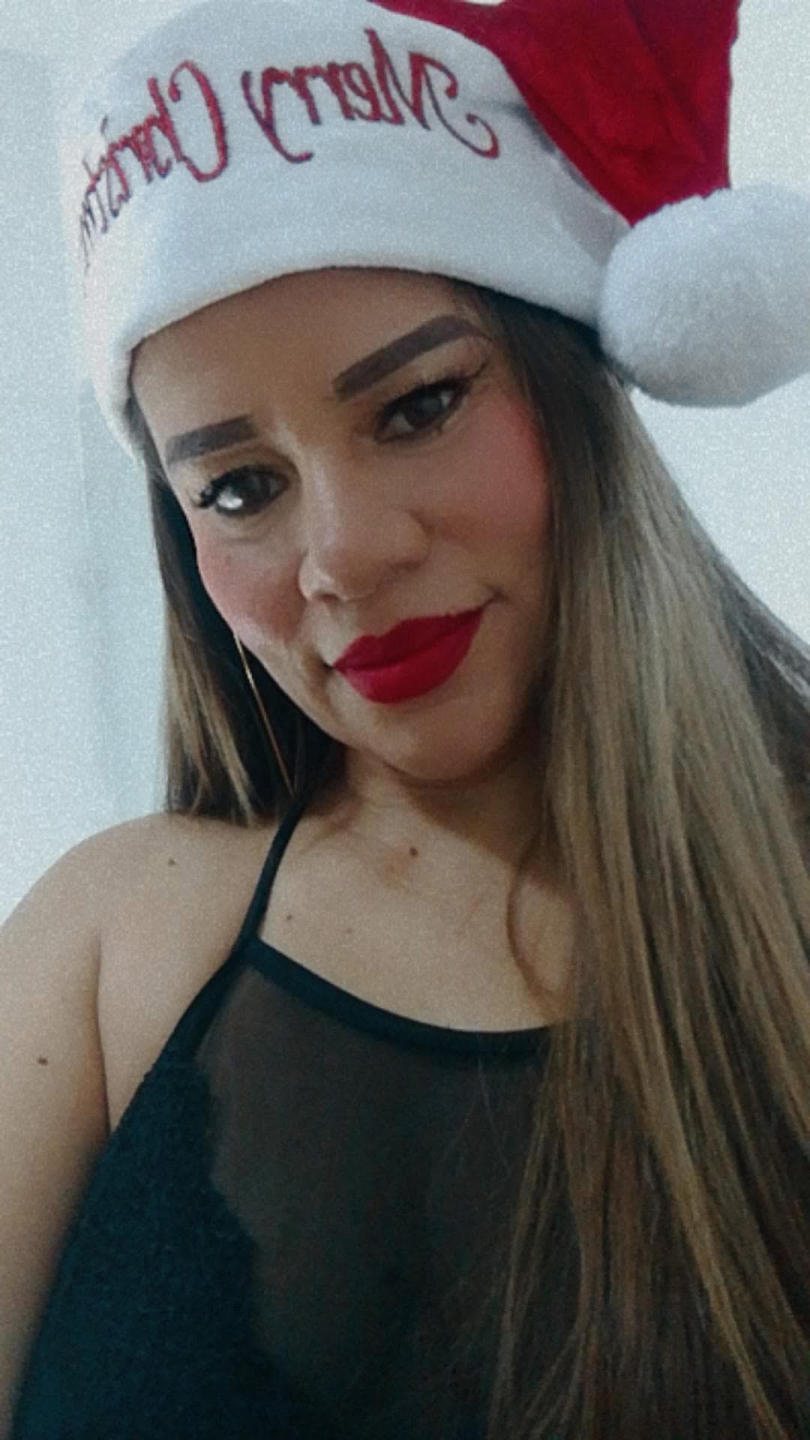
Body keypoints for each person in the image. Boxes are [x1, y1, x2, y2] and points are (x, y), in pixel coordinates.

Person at [3, 0, 810, 1436]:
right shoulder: (109, 945)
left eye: (419, 405)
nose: (345, 555)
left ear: (570, 392)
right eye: (238, 488)